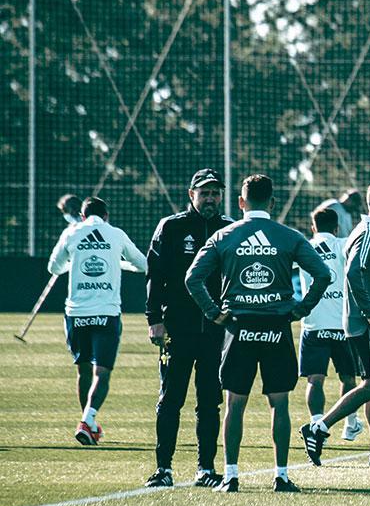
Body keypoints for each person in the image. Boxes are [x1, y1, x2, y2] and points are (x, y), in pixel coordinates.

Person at [185, 174, 331, 493]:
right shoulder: (288, 237)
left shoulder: (225, 235)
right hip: (277, 327)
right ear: (273, 202)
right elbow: (323, 274)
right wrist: (299, 309)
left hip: (238, 327)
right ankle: (280, 476)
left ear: (241, 202)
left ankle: (231, 476)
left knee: (234, 403)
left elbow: (192, 279)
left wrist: (215, 313)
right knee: (279, 403)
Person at [299, 182, 370, 468]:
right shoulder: (368, 233)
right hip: (367, 323)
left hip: (369, 321)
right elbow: (352, 272)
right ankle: (319, 427)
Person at [144, 169, 235, 489]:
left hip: (214, 331)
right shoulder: (172, 227)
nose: (210, 198)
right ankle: (163, 468)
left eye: (215, 193)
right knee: (171, 399)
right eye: (204, 193)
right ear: (191, 194)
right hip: (177, 328)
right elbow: (154, 274)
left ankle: (205, 469)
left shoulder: (229, 229)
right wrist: (154, 318)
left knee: (209, 401)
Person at [47, 197, 147, 445]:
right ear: (107, 216)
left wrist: (75, 262)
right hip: (106, 312)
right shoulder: (115, 234)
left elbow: (54, 267)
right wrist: (117, 263)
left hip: (76, 313)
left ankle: (88, 423)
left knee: (83, 370)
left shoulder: (72, 233)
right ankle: (87, 420)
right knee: (101, 372)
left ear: (82, 216)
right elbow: (143, 264)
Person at [298, 206, 363, 443]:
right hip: (343, 325)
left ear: (313, 227)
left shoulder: (304, 247)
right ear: (337, 228)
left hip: (314, 324)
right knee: (349, 379)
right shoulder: (345, 244)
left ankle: (317, 426)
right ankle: (350, 423)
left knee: (315, 379)